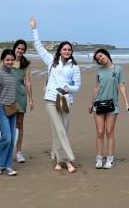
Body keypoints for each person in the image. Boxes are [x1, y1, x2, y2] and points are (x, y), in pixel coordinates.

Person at [29, 16, 81, 173]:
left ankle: (58, 160)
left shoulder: (74, 67)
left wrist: (69, 89)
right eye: (64, 49)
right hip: (51, 99)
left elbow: (77, 86)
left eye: (69, 49)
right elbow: (38, 47)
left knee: (63, 130)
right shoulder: (51, 61)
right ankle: (69, 160)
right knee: (58, 129)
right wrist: (34, 29)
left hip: (66, 100)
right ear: (60, 51)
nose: (67, 51)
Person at [89, 48, 129, 169]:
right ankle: (98, 158)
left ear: (107, 55)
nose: (100, 59)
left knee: (109, 132)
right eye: (98, 58)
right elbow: (96, 87)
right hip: (98, 103)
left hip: (112, 105)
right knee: (99, 132)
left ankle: (110, 158)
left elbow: (122, 86)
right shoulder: (99, 70)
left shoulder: (118, 69)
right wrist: (91, 102)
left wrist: (126, 103)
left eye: (101, 56)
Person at [0, 49, 19, 176]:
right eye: (7, 59)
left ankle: (7, 165)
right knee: (6, 138)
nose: (10, 62)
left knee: (12, 139)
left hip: (12, 108)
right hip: (1, 109)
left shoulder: (13, 74)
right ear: (2, 60)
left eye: (12, 60)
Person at [12, 39, 34, 163]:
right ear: (15, 48)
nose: (20, 51)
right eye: (18, 48)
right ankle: (8, 150)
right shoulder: (8, 59)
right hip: (8, 96)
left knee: (19, 124)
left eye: (22, 49)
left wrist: (31, 98)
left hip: (20, 96)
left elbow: (28, 82)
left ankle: (19, 152)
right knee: (9, 124)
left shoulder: (25, 64)